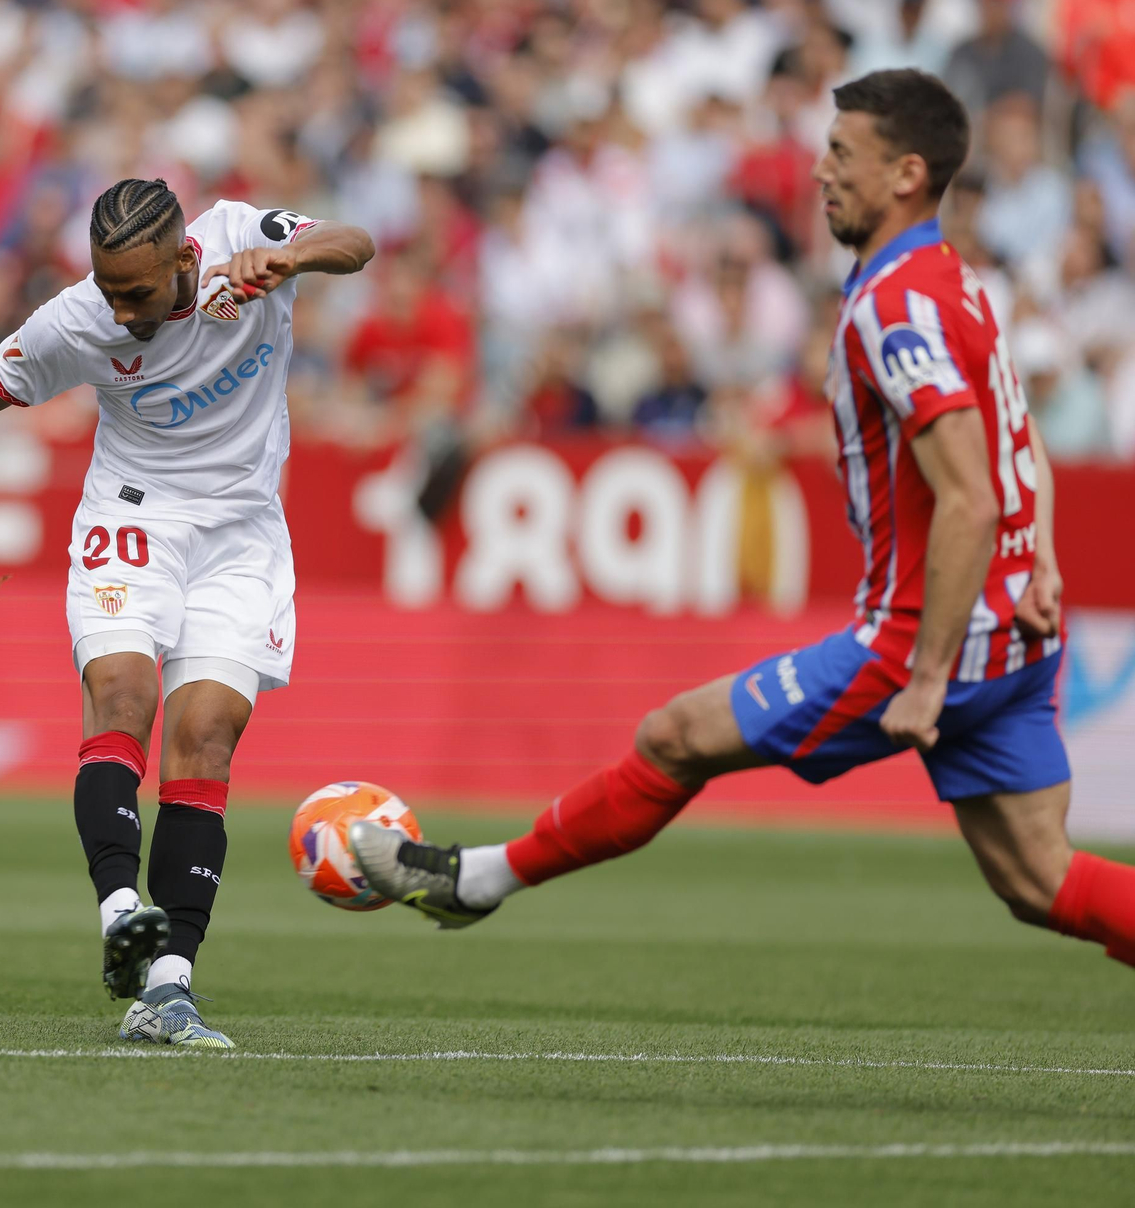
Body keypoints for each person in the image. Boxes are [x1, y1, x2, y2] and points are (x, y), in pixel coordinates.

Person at [351, 70, 1135, 974]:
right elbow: (1016, 435)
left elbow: (968, 492)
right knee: (1040, 880)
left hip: (927, 638)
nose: (819, 170)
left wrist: (924, 679)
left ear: (907, 174)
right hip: (1014, 632)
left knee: (674, 736)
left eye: (844, 153)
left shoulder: (894, 305)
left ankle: (476, 881)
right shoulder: (954, 282)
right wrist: (1039, 558)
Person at [0, 179, 373, 1047]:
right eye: (106, 287)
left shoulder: (242, 238)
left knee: (206, 734)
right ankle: (120, 911)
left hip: (243, 534)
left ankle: (169, 986)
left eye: (135, 291)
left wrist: (285, 256)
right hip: (133, 515)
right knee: (125, 698)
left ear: (185, 259)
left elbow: (356, 242)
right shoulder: (77, 321)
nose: (120, 309)